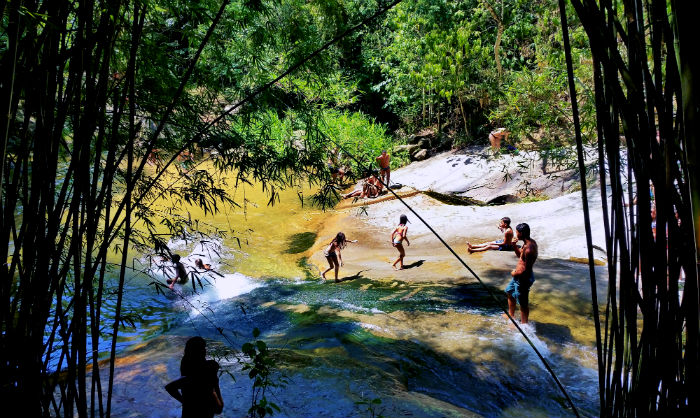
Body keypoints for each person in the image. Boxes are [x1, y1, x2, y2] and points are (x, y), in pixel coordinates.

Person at [165, 336, 224, 418]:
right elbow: (219, 408)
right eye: (202, 349)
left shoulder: (189, 372)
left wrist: (185, 402)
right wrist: (215, 383)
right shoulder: (195, 377)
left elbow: (170, 387)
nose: (205, 351)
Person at [505, 223, 538, 324]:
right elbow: (520, 256)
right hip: (519, 276)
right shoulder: (527, 243)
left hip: (523, 278)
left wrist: (515, 273)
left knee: (523, 304)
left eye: (517, 232)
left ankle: (524, 326)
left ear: (522, 233)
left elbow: (526, 269)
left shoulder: (529, 249)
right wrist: (514, 245)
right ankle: (511, 316)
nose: (516, 234)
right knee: (509, 292)